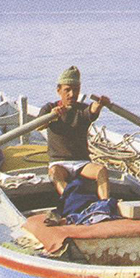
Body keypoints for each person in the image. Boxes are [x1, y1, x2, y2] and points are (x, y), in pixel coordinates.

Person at [38, 66, 112, 200]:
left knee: (102, 170)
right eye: (67, 90)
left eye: (76, 90)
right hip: (59, 163)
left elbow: (92, 110)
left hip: (82, 163)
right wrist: (52, 115)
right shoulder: (49, 108)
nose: (72, 94)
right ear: (58, 90)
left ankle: (105, 203)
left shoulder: (82, 110)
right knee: (54, 174)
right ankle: (73, 200)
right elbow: (39, 126)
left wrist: (100, 104)